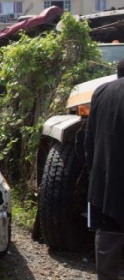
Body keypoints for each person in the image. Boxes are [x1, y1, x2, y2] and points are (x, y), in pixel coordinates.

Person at [85, 58, 124, 280]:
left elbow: (89, 139)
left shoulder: (100, 92)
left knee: (109, 234)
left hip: (106, 177)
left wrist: (94, 173)